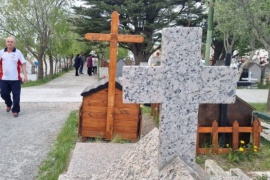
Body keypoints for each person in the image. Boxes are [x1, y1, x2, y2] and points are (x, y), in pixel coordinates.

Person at [0, 36, 28, 117]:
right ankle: (9, 103)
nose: (10, 43)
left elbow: (23, 63)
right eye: (8, 41)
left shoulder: (18, 53)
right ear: (6, 43)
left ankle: (15, 110)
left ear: (14, 43)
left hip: (15, 79)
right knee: (3, 94)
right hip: (4, 78)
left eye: (11, 42)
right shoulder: (2, 52)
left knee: (16, 95)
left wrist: (25, 76)